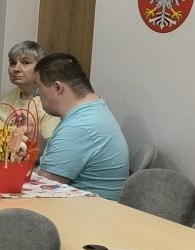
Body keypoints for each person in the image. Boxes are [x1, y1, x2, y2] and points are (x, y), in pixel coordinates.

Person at [34, 52, 129, 199]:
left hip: (85, 211)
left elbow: (44, 188)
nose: (37, 94)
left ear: (57, 88)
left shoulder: (79, 127)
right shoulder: (93, 109)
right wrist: (36, 139)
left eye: (39, 87)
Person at [0, 40, 59, 140]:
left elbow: (49, 145)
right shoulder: (8, 99)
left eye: (25, 62)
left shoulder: (50, 102)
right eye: (12, 63)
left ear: (41, 67)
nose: (16, 69)